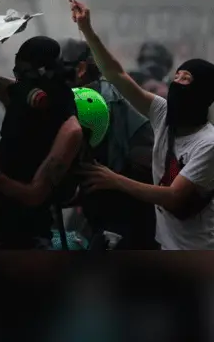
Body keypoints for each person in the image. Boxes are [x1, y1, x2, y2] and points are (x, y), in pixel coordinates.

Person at [69, 0, 214, 250]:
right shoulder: (163, 113)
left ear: (203, 93)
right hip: (164, 245)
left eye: (185, 79)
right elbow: (117, 75)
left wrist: (114, 179)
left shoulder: (210, 144)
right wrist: (87, 29)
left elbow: (174, 197)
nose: (177, 83)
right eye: (176, 76)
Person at [0, 36, 83, 249]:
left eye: (24, 74)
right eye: (16, 73)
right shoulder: (16, 96)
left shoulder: (69, 129)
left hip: (29, 241)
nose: (19, 81)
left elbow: (35, 194)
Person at [59, 39, 159, 249]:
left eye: (58, 70)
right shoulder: (69, 103)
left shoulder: (113, 105)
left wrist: (114, 180)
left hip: (132, 221)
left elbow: (153, 175)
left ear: (81, 69)